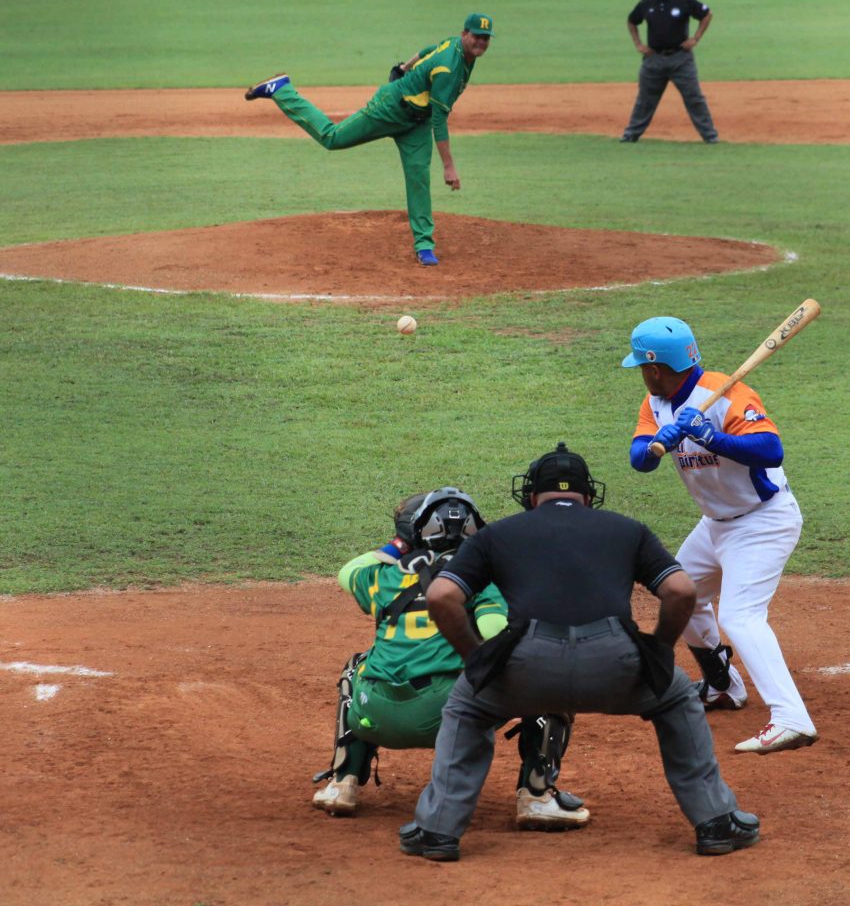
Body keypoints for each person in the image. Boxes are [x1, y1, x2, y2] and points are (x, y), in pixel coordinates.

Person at [399, 443, 759, 862]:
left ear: (532, 497)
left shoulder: (499, 534)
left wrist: (477, 660)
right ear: (588, 497)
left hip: (526, 667)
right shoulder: (627, 530)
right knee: (677, 698)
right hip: (616, 665)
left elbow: (443, 596)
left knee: (467, 706)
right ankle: (715, 822)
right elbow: (680, 591)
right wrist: (657, 653)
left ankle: (437, 831)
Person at [313, 485, 589, 832]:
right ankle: (536, 796)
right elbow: (494, 632)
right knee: (547, 673)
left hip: (374, 714)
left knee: (357, 667)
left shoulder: (382, 577)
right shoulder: (480, 580)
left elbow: (347, 571)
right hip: (450, 718)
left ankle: (342, 782)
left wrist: (400, 546)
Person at [622, 316, 819, 756]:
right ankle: (723, 686)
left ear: (655, 367)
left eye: (641, 366)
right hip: (715, 525)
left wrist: (710, 436)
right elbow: (639, 459)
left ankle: (791, 718)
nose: (640, 373)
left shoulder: (729, 393)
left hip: (762, 522)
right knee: (679, 593)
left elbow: (771, 450)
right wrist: (661, 443)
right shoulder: (655, 403)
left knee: (741, 616)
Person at [242, 13, 495, 266]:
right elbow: (440, 120)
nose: (480, 42)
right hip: (390, 109)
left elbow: (428, 49)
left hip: (416, 124)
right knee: (333, 138)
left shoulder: (459, 50)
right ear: (464, 34)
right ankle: (282, 89)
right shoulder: (449, 67)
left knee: (418, 177)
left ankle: (424, 244)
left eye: (485, 38)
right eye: (476, 36)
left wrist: (405, 68)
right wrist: (449, 165)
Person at [619, 0, 718, 145]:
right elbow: (632, 21)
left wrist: (695, 38)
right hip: (654, 59)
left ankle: (710, 135)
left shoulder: (683, 0)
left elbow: (706, 14)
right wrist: (639, 44)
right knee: (645, 100)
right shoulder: (646, 3)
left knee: (694, 97)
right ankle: (631, 134)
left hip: (681, 58)